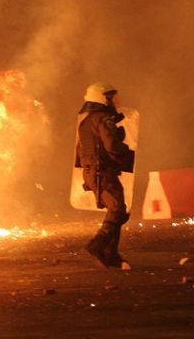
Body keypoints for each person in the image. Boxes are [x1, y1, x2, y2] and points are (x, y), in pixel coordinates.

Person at [76, 83, 134, 268]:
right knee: (118, 210)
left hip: (92, 173)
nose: (114, 101)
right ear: (102, 99)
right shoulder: (103, 119)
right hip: (103, 173)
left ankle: (111, 254)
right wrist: (127, 151)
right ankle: (97, 245)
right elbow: (112, 147)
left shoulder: (85, 121)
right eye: (110, 97)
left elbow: (80, 151)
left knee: (116, 209)